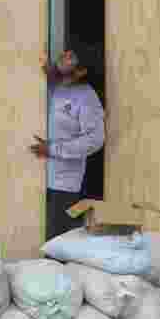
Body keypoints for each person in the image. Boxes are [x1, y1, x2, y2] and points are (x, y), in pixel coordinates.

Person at [30, 47, 106, 240]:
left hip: (62, 185)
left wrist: (54, 149)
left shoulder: (86, 97)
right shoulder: (54, 85)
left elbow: (95, 140)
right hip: (33, 177)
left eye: (71, 56)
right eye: (65, 53)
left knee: (55, 244)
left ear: (80, 71)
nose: (64, 55)